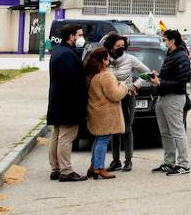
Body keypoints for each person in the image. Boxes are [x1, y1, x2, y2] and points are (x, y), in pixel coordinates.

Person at [47, 23, 88, 182]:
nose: (81, 38)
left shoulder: (58, 51)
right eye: (79, 35)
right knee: (66, 136)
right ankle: (66, 170)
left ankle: (55, 169)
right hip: (68, 102)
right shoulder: (68, 55)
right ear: (71, 36)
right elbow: (73, 81)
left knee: (56, 136)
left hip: (58, 100)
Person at [103, 34, 149, 172]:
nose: (121, 48)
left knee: (127, 129)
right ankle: (115, 161)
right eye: (118, 46)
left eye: (123, 46)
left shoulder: (130, 59)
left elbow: (147, 72)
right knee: (114, 130)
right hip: (111, 99)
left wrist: (135, 86)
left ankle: (128, 160)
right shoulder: (106, 60)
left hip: (127, 98)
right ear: (111, 47)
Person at [83, 47, 129, 180]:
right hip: (106, 114)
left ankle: (93, 167)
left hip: (97, 112)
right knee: (103, 140)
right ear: (103, 61)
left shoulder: (93, 74)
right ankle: (99, 168)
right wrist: (123, 86)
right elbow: (115, 95)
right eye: (107, 58)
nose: (109, 60)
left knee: (98, 139)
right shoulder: (106, 75)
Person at [150, 29, 191, 175]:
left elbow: (181, 82)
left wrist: (160, 83)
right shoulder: (170, 54)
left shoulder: (181, 56)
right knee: (165, 132)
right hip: (163, 97)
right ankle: (169, 162)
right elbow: (170, 76)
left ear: (172, 41)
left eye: (165, 40)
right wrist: (158, 77)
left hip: (174, 97)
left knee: (177, 131)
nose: (163, 42)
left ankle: (184, 165)